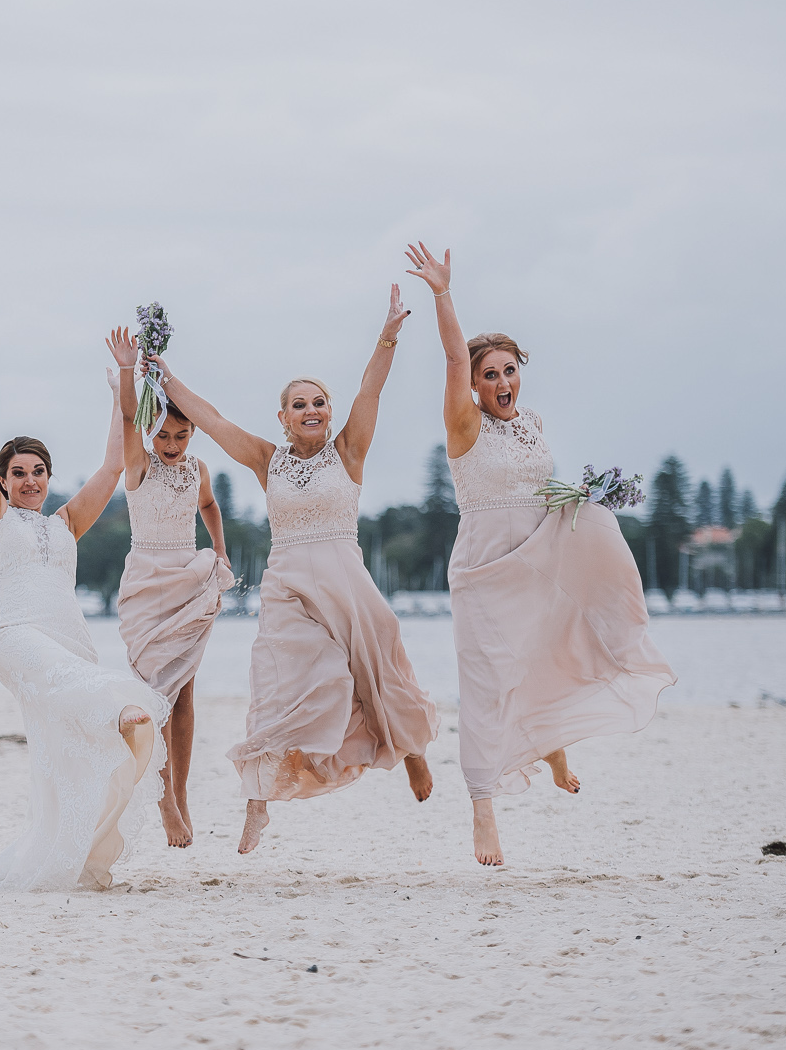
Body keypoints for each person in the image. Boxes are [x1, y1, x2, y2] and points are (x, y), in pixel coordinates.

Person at [404, 241, 674, 866]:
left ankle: (551, 744)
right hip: (486, 567)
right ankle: (482, 809)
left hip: (540, 556)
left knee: (558, 648)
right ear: (472, 385)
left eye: (509, 370)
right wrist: (443, 293)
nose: (502, 381)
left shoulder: (534, 423)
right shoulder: (464, 425)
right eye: (489, 374)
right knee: (488, 683)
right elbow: (450, 355)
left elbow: (541, 489)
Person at [155, 286, 439, 856]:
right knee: (277, 685)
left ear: (328, 413)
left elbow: (371, 389)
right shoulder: (267, 459)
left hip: (344, 576)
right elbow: (209, 418)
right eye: (300, 405)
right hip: (287, 583)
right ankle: (258, 803)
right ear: (283, 419)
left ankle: (411, 754)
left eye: (319, 403)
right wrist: (160, 372)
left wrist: (389, 333)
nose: (312, 411)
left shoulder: (349, 451)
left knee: (380, 668)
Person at [0, 332, 168, 892]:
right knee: (101, 699)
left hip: (68, 638)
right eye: (19, 472)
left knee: (65, 757)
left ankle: (66, 853)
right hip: (14, 636)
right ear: (3, 481)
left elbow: (115, 464)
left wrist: (123, 387)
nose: (30, 481)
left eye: (38, 471)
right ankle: (120, 713)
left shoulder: (66, 523)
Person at [113, 368, 232, 848]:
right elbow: (126, 415)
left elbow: (210, 507)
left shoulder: (197, 469)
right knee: (153, 694)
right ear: (149, 430)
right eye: (163, 434)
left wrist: (220, 552)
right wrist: (129, 369)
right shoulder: (138, 466)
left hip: (187, 581)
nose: (173, 444)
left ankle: (179, 792)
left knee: (184, 693)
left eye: (182, 435)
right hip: (147, 584)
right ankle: (161, 795)